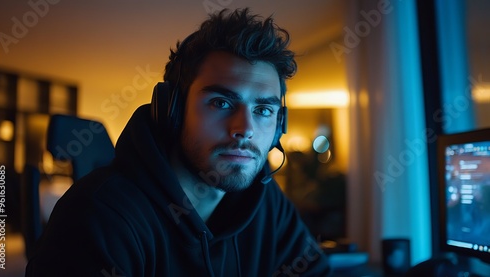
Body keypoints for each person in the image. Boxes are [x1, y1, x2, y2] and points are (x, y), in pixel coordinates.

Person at [26, 8, 330, 276]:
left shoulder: (266, 199)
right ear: (171, 110)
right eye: (221, 103)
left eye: (263, 110)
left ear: (279, 127)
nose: (245, 129)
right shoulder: (99, 216)